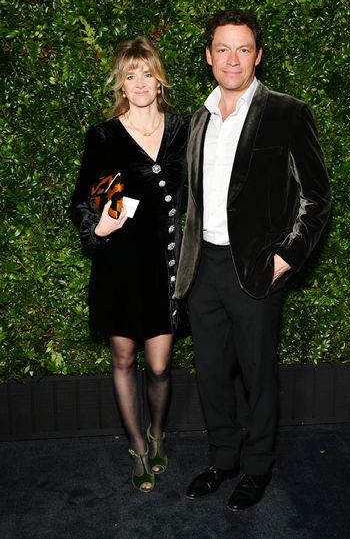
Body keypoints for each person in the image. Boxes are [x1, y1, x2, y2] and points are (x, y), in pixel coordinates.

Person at [175, 9, 331, 510]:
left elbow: (317, 196)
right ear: (209, 56)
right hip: (204, 269)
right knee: (211, 372)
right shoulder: (198, 120)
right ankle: (223, 459)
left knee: (259, 374)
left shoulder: (288, 112)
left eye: (244, 49)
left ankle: (258, 467)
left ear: (258, 55)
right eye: (223, 48)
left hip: (257, 269)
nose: (233, 59)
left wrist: (287, 257)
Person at [70, 38, 189, 493]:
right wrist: (96, 228)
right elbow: (83, 199)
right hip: (120, 265)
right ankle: (137, 446)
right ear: (121, 83)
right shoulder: (103, 136)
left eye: (147, 73)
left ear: (159, 79)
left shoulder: (183, 129)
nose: (139, 83)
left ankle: (158, 431)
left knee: (159, 365)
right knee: (123, 357)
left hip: (165, 266)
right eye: (130, 75)